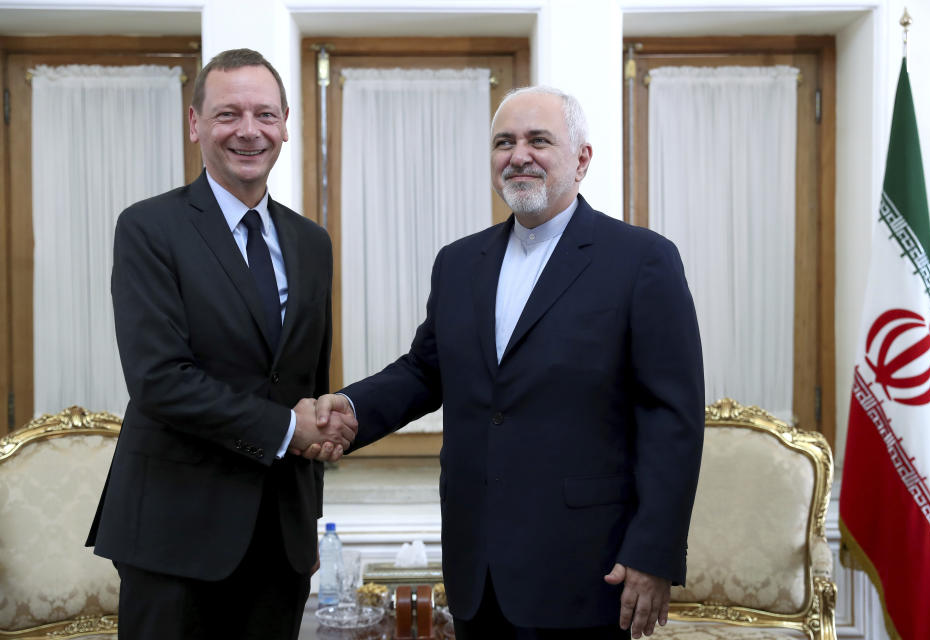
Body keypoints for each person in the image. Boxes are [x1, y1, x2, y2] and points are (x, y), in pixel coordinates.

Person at [314, 86, 705, 638]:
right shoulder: (459, 263)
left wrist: (654, 552)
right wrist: (350, 409)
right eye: (504, 142)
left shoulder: (642, 260)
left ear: (582, 159)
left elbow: (674, 418)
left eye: (538, 140)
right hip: (479, 570)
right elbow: (426, 370)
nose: (519, 155)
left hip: (589, 570)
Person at [86, 48, 356, 640]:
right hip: (173, 534)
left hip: (279, 541)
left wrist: (305, 522)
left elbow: (306, 384)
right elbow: (159, 380)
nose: (249, 131)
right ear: (195, 124)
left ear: (285, 123)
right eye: (228, 114)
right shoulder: (149, 228)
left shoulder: (313, 244)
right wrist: (288, 429)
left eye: (265, 114)